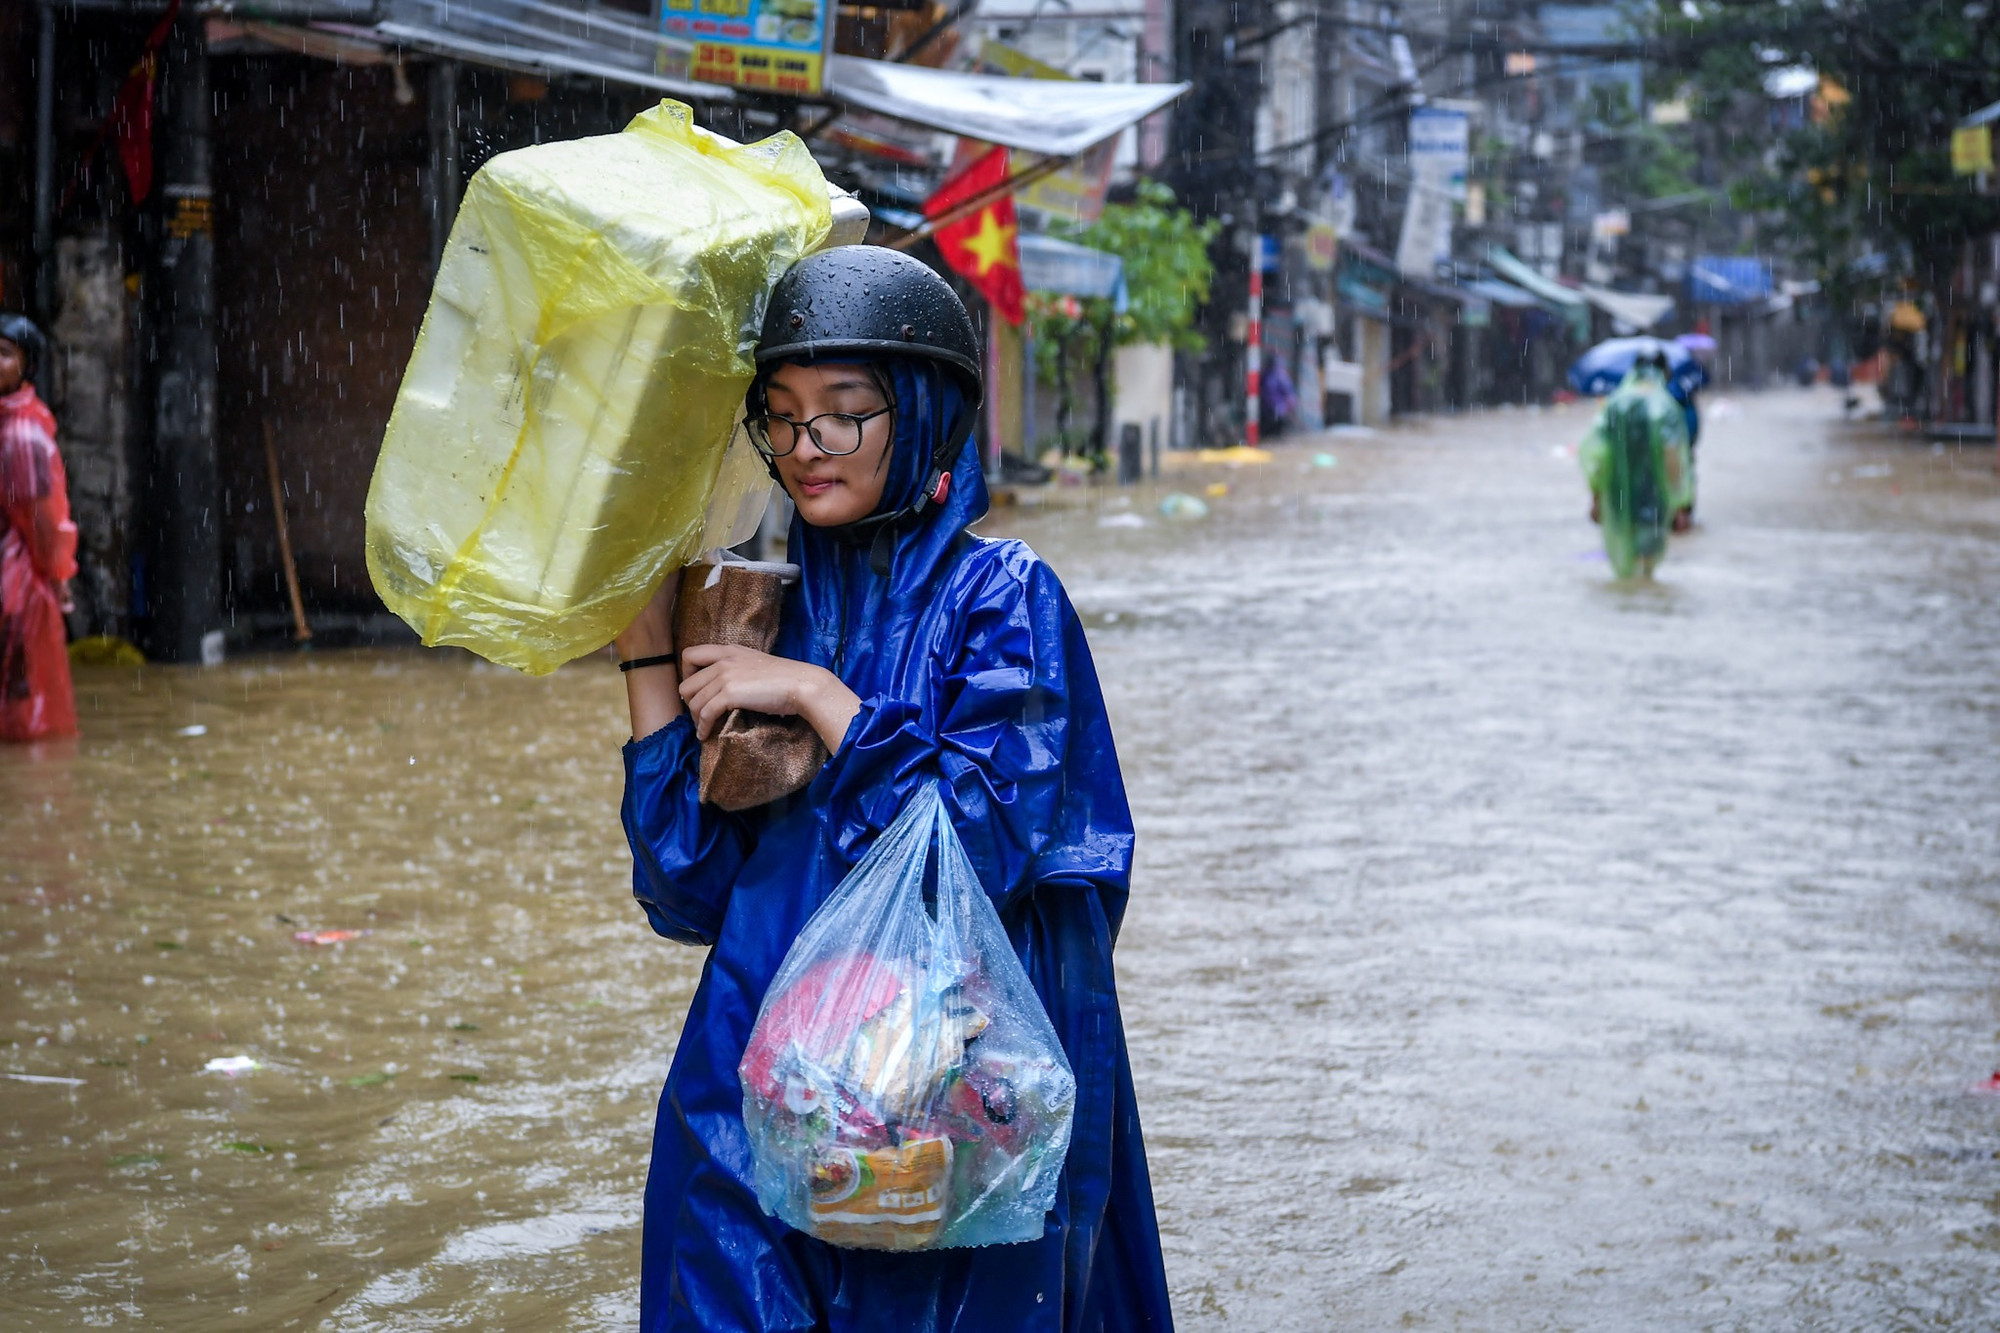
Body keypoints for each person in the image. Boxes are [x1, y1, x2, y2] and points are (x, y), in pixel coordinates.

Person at [613, 247, 1173, 1333]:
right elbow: (688, 892)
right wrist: (647, 665)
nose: (803, 447)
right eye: (778, 417)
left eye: (842, 414)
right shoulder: (756, 609)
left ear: (919, 415)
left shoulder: (1002, 597)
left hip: (948, 1092)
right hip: (756, 1084)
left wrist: (823, 699)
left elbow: (979, 847)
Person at [0, 314, 78, 743]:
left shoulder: (23, 434)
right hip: (13, 578)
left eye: (4, 354)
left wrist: (59, 572)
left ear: (26, 366)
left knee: (23, 702)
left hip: (15, 583)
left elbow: (43, 521)